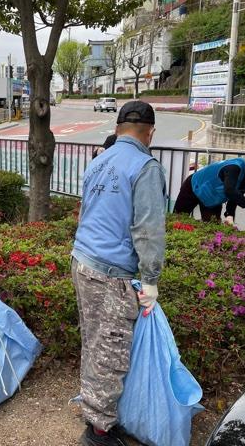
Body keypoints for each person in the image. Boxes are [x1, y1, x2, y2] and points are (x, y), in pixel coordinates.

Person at [71, 101, 166, 446]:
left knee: (94, 341)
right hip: (111, 273)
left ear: (117, 128)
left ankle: (98, 411)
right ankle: (98, 429)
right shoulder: (145, 167)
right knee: (111, 350)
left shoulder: (98, 162)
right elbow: (149, 230)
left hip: (83, 261)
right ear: (150, 132)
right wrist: (151, 280)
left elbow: (86, 212)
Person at [173, 145, 245, 227]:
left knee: (212, 228)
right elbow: (230, 191)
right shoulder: (234, 167)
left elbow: (235, 196)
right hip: (193, 187)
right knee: (177, 221)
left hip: (212, 197)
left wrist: (229, 216)